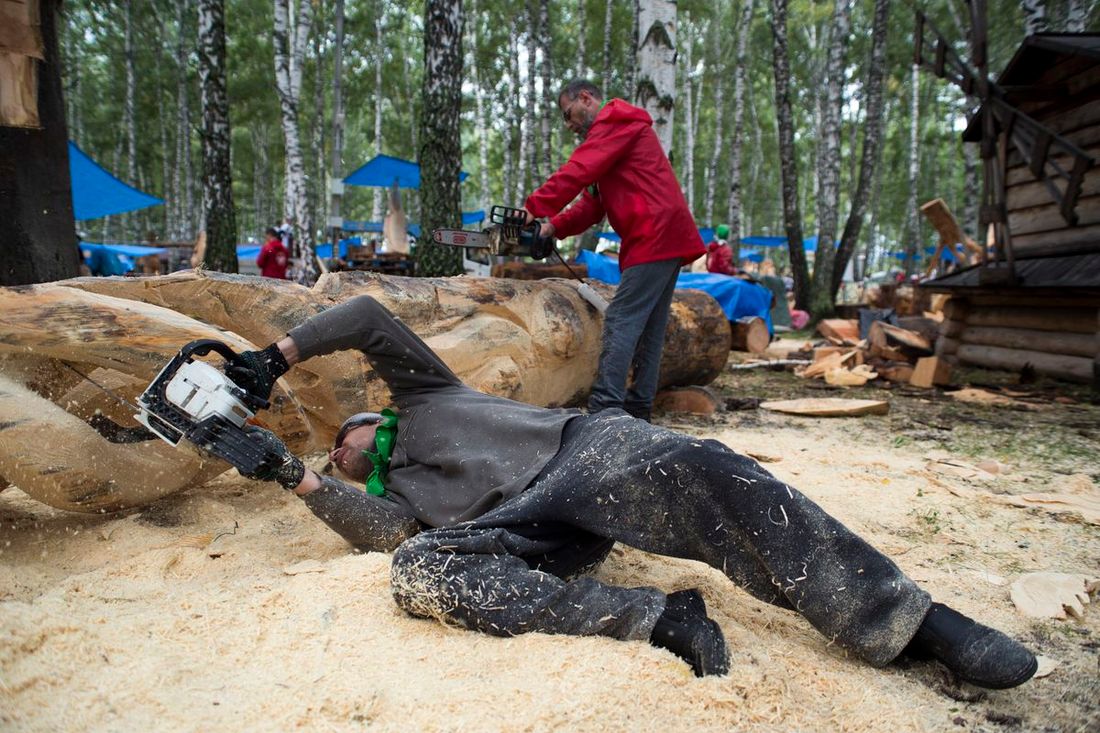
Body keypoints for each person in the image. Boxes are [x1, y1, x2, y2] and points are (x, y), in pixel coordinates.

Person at [223, 294, 1038, 688]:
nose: (339, 451)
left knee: (710, 470)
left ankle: (913, 621)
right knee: (419, 574)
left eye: (342, 439)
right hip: (521, 530)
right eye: (333, 456)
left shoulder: (424, 394)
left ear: (372, 415)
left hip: (579, 456)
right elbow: (387, 535)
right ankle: (657, 619)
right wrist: (290, 475)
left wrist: (274, 356)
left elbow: (365, 313)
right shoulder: (391, 492)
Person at [522, 79, 704, 422]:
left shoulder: (615, 123)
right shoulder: (613, 137)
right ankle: (638, 410)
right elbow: (593, 205)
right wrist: (553, 227)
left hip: (655, 232)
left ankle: (605, 410)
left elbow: (578, 170)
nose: (569, 124)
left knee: (621, 319)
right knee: (649, 326)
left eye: (568, 113)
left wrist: (533, 207)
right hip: (658, 234)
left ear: (586, 98)